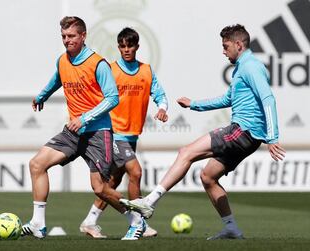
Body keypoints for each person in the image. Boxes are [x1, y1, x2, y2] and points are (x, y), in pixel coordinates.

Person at [120, 24, 286, 240]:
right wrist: (194, 104)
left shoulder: (250, 67)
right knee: (208, 177)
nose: (223, 51)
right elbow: (228, 99)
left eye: (226, 46)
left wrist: (272, 137)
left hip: (243, 131)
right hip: (247, 135)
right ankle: (231, 228)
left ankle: (149, 202)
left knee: (186, 152)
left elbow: (268, 98)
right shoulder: (243, 67)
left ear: (238, 44)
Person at [21, 16, 146, 241]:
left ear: (83, 36)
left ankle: (137, 222)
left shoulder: (98, 63)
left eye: (71, 36)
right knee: (37, 164)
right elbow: (58, 79)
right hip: (74, 133)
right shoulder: (63, 60)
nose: (67, 40)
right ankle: (38, 224)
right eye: (63, 37)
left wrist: (85, 118)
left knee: (100, 189)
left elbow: (112, 98)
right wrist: (42, 95)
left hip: (99, 132)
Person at [79, 27, 169, 239]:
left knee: (111, 183)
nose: (126, 49)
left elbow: (159, 93)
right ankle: (139, 224)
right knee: (136, 172)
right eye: (122, 46)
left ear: (137, 46)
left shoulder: (146, 70)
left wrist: (163, 108)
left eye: (130, 45)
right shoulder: (110, 70)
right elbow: (96, 96)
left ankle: (90, 221)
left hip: (132, 135)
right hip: (114, 132)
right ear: (118, 47)